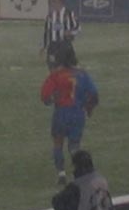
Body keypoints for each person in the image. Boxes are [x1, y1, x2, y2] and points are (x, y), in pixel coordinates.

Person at [40, 42, 98, 185]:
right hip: (78, 114)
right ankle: (80, 172)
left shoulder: (56, 75)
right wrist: (89, 108)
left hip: (61, 113)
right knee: (74, 146)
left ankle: (61, 173)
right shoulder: (82, 74)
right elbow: (94, 94)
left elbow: (45, 97)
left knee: (58, 143)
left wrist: (52, 99)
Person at [41, 0, 80, 70]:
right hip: (53, 46)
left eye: (55, 2)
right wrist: (43, 46)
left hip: (65, 45)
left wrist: (71, 32)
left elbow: (78, 28)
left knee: (71, 68)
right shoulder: (50, 16)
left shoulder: (69, 14)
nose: (53, 4)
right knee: (52, 67)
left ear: (61, 2)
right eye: (51, 2)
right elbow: (46, 32)